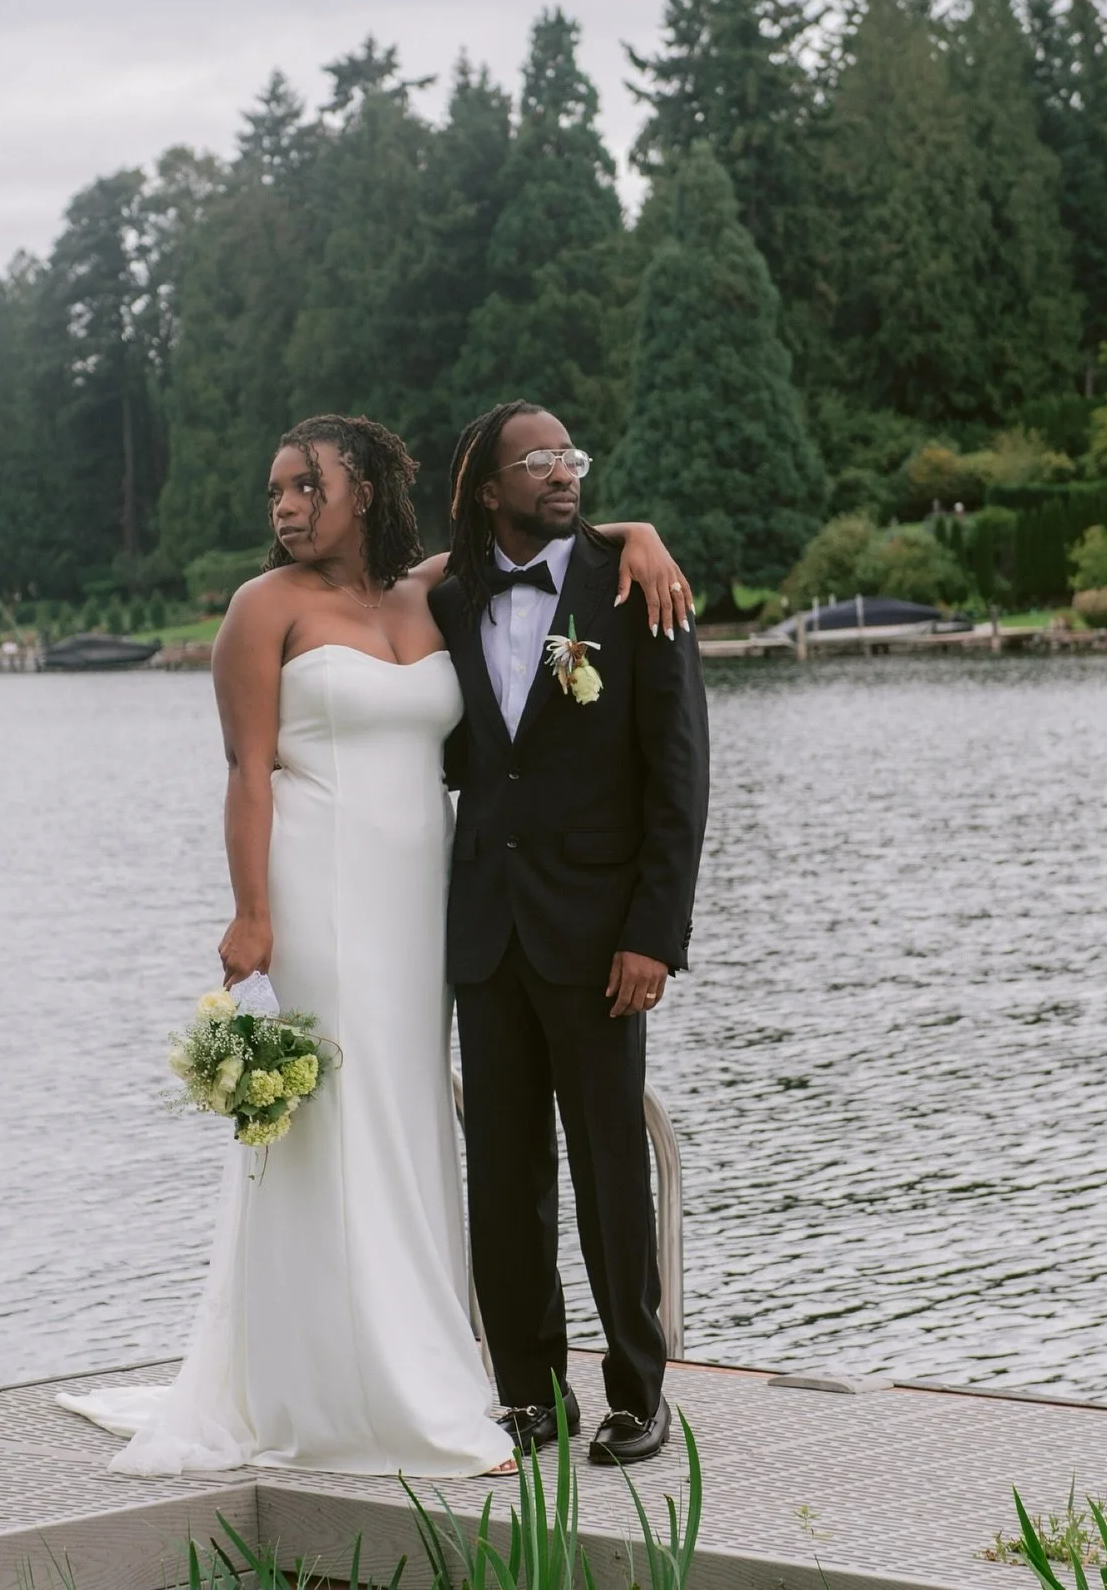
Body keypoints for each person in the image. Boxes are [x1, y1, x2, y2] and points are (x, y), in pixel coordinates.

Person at [59, 413, 692, 1477]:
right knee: (377, 1126)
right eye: (277, 490)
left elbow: (545, 544)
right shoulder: (261, 610)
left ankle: (559, 1381)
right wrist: (250, 911)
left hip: (437, 909)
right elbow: (246, 772)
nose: (286, 505)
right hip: (329, 896)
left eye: (307, 484)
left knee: (421, 1125)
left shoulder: (431, 590)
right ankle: (412, 1391)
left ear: (366, 490)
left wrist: (640, 534)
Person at [427, 400, 709, 1467]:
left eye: (570, 457)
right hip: (486, 935)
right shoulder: (453, 601)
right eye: (535, 461)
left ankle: (638, 1392)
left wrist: (653, 934)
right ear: (489, 489)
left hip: (600, 941)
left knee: (608, 1172)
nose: (561, 473)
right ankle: (533, 1395)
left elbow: (679, 775)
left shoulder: (634, 586)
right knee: (503, 1177)